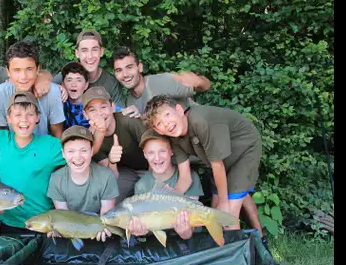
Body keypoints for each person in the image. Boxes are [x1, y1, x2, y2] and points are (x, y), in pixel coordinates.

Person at [143, 95, 264, 239]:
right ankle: (259, 239)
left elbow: (217, 165)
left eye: (167, 115)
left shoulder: (200, 121)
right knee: (217, 206)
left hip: (244, 149)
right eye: (160, 123)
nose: (167, 123)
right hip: (221, 158)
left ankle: (238, 256)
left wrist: (224, 203)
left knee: (227, 214)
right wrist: (170, 199)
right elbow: (185, 177)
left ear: (179, 110)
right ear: (159, 130)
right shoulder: (175, 138)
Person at [0, 91, 67, 234]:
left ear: (38, 117)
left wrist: (99, 129)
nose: (24, 120)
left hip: (42, 222)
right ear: (8, 118)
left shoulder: (50, 145)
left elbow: (82, 150)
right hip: (8, 222)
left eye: (30, 115)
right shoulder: (1, 139)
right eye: (18, 115)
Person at [47, 125, 119, 241]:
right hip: (71, 234)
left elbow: (107, 216)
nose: (78, 157)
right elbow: (63, 217)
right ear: (63, 153)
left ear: (91, 151)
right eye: (71, 151)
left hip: (98, 233)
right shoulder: (56, 179)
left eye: (83, 150)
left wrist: (106, 228)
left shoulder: (106, 176)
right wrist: (59, 231)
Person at [80, 86, 149, 202]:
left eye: (103, 107)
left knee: (146, 190)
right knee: (112, 196)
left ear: (112, 107)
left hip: (151, 167)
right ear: (85, 114)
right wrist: (112, 161)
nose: (99, 114)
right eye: (92, 110)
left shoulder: (129, 121)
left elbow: (155, 149)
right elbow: (112, 175)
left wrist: (151, 179)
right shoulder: (91, 139)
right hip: (125, 172)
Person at [53, 30, 141, 118]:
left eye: (94, 49)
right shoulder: (67, 76)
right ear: (77, 53)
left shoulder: (110, 82)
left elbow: (121, 114)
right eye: (84, 50)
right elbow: (43, 84)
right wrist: (56, 87)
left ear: (101, 51)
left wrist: (131, 113)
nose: (90, 56)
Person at [0, 41, 65, 139]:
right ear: (8, 71)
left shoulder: (52, 92)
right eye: (17, 70)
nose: (23, 77)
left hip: (45, 148)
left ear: (37, 69)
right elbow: (1, 137)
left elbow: (57, 136)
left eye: (29, 69)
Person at [112, 46, 211, 114]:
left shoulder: (162, 82)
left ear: (140, 67)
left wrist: (198, 81)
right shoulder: (129, 102)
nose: (125, 74)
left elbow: (206, 86)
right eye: (119, 70)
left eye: (129, 67)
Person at [134, 129, 204, 200]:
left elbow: (193, 208)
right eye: (151, 152)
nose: (157, 158)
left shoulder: (191, 176)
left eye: (162, 151)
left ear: (172, 151)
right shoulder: (141, 185)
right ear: (145, 154)